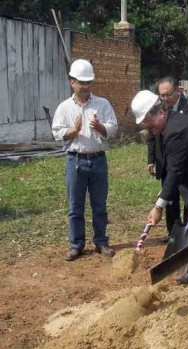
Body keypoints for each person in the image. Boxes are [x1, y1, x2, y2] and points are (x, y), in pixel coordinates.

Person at [131, 90, 188, 284]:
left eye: (149, 121)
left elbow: (174, 171)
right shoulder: (168, 124)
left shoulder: (176, 129)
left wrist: (158, 207)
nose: (148, 127)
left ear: (160, 112)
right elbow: (175, 166)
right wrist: (165, 190)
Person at [52, 59, 118, 261]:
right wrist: (72, 131)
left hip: (98, 160)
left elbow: (113, 128)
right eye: (81, 82)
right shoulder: (64, 108)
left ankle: (101, 241)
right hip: (76, 161)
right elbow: (57, 132)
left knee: (99, 204)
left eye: (88, 82)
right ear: (72, 82)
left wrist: (100, 128)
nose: (85, 86)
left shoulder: (102, 104)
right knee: (75, 206)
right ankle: (76, 245)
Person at [146, 77, 188, 238]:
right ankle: (173, 233)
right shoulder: (160, 110)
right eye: (162, 95)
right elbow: (152, 136)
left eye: (168, 94)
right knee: (170, 199)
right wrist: (151, 159)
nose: (165, 99)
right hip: (166, 162)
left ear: (178, 90)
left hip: (186, 163)